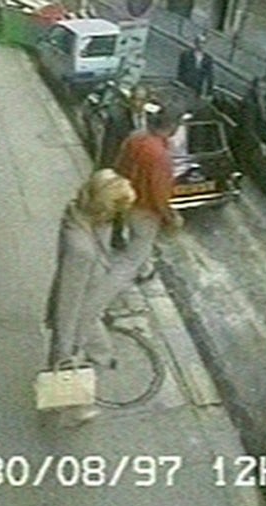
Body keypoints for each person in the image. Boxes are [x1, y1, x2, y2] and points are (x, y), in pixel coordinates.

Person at [45, 169, 137, 426]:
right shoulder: (81, 250)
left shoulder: (82, 216)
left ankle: (64, 400)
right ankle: (74, 410)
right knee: (70, 356)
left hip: (87, 304)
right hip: (78, 311)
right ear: (106, 208)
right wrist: (67, 342)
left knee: (83, 354)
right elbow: (69, 299)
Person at [112, 107, 181, 285]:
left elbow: (119, 164)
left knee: (141, 243)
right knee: (132, 257)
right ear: (172, 127)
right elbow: (159, 194)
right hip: (145, 210)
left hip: (127, 199)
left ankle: (146, 270)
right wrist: (169, 216)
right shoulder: (160, 156)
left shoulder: (136, 137)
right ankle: (100, 294)